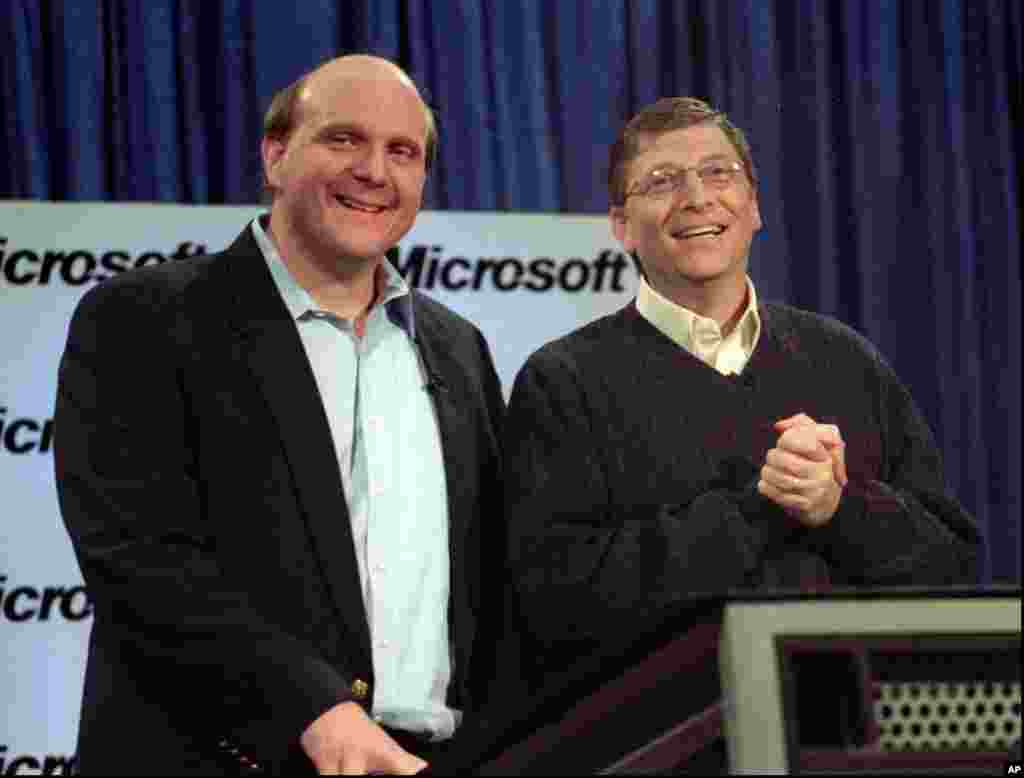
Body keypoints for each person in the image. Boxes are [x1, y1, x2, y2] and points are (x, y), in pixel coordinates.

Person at [54, 55, 504, 775]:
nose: (373, 172)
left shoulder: (458, 350)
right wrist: (316, 709)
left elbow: (485, 590)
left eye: (402, 152)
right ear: (274, 155)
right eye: (343, 139)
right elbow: (140, 560)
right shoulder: (146, 319)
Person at [504, 97, 982, 688]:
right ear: (621, 226)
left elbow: (954, 566)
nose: (697, 198)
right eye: (661, 181)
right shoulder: (562, 382)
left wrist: (840, 507)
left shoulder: (845, 359)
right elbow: (555, 605)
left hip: (849, 737)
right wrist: (759, 508)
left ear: (753, 206)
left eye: (717, 173)